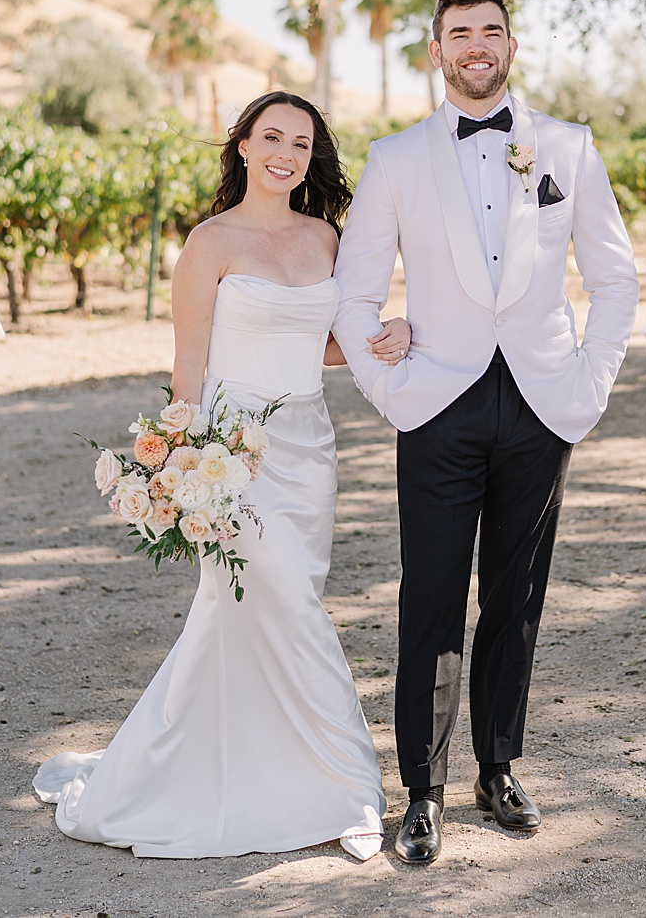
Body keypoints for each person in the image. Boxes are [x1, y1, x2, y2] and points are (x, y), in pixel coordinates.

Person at [33, 91, 410, 859]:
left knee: (261, 610)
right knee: (291, 608)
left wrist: (393, 333)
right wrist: (181, 472)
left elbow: (328, 343)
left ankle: (267, 767)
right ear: (241, 146)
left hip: (312, 447)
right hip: (235, 455)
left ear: (312, 159)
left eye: (302, 144)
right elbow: (189, 367)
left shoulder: (325, 238)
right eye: (271, 136)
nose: (287, 153)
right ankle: (347, 787)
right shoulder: (209, 243)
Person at [332, 0, 640, 865]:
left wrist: (589, 381)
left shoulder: (570, 149)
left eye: (491, 31)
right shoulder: (394, 160)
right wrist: (391, 392)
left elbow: (615, 280)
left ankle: (497, 765)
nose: (477, 45)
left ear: (511, 45)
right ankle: (421, 790)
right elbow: (355, 295)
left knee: (518, 597)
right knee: (430, 595)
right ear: (435, 51)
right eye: (459, 32)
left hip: (544, 403)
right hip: (436, 403)